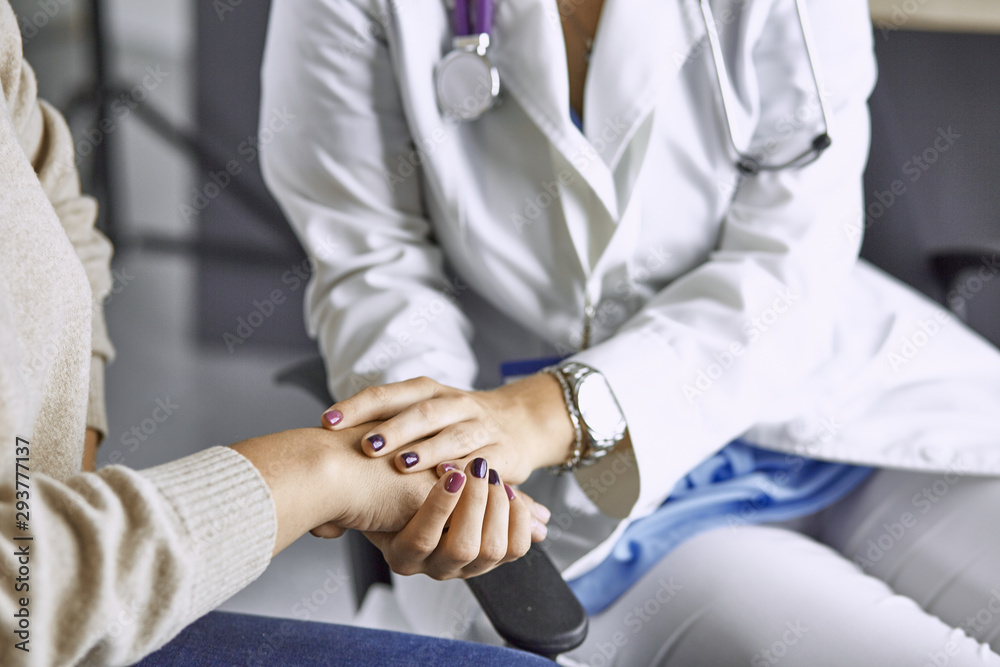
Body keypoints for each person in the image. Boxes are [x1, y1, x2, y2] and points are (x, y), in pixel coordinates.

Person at [260, 0, 1000, 663]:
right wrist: (442, 449)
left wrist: (554, 411)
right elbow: (369, 257)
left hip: (839, 400)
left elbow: (795, 252)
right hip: (560, 499)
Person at [0, 2, 552, 665]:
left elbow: (54, 199)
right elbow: (21, 600)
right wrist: (332, 470)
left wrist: (73, 520)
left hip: (76, 587)